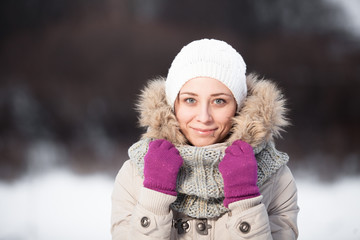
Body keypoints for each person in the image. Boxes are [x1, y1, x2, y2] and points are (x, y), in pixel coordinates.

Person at [111, 39, 299, 239]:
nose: (204, 117)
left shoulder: (276, 179)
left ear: (239, 105)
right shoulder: (134, 175)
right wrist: (154, 200)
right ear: (173, 104)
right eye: (190, 100)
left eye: (219, 101)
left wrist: (246, 202)